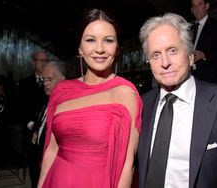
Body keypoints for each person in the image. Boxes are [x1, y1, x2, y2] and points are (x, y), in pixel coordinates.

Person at [137, 12, 217, 188]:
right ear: (149, 62)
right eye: (156, 54)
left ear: (190, 55)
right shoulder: (142, 105)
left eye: (173, 50)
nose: (165, 62)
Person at [37, 9, 142, 188]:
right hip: (57, 180)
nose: (99, 49)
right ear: (80, 48)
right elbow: (52, 149)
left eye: (108, 40)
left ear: (117, 48)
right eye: (90, 40)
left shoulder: (126, 93)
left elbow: (126, 165)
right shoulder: (61, 90)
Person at [27, 60, 66, 188]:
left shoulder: (66, 105)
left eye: (50, 79)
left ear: (62, 80)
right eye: (44, 79)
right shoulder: (48, 99)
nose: (45, 83)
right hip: (39, 157)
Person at [17, 50, 48, 188]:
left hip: (49, 131)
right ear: (33, 62)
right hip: (31, 131)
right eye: (39, 60)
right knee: (34, 165)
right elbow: (19, 106)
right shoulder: (24, 82)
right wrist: (31, 124)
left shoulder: (51, 80)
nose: (42, 64)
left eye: (44, 61)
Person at [190, 0, 217, 85]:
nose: (196, 8)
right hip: (191, 77)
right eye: (194, 6)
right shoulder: (190, 28)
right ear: (191, 9)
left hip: (210, 79)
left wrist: (204, 54)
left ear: (207, 6)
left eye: (199, 4)